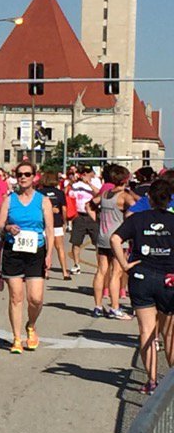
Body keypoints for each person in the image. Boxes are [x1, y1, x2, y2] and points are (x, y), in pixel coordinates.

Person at [110, 177, 174, 395]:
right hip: (169, 277)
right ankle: (171, 383)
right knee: (169, 332)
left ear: (149, 197)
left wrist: (125, 264)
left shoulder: (138, 218)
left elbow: (114, 239)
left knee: (147, 331)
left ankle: (152, 381)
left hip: (142, 275)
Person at [0, 160, 54, 354]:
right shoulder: (9, 199)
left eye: (27, 174)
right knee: (16, 297)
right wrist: (7, 227)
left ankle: (31, 325)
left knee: (36, 298)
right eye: (19, 174)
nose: (23, 177)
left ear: (34, 177)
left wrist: (49, 255)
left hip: (36, 251)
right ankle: (16, 338)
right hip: (13, 251)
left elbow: (49, 229)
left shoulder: (43, 200)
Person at [91, 165, 137, 320]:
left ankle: (97, 306)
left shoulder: (104, 194)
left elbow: (90, 204)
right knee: (116, 273)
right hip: (118, 238)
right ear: (125, 179)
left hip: (103, 235)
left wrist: (96, 219)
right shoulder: (124, 196)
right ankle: (115, 307)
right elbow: (137, 207)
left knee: (101, 271)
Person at [38, 171, 71, 280]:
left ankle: (45, 271)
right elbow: (64, 209)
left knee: (46, 248)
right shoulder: (60, 193)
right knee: (60, 247)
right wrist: (64, 221)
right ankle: (65, 272)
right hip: (56, 222)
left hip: (43, 223)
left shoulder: (39, 193)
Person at [68, 166, 99, 273]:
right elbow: (68, 195)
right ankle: (76, 264)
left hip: (93, 215)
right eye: (83, 173)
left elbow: (100, 194)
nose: (86, 174)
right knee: (76, 242)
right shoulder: (76, 185)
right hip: (79, 216)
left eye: (88, 172)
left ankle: (100, 265)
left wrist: (89, 184)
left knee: (97, 242)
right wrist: (71, 183)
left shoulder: (96, 182)